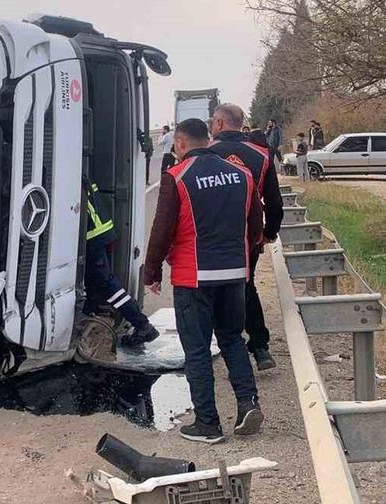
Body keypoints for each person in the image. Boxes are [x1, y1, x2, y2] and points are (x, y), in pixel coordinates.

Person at [144, 118, 264, 444]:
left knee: (196, 350)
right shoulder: (241, 175)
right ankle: (247, 403)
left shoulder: (177, 177)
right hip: (234, 273)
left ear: (181, 143)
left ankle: (208, 424)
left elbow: (161, 231)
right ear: (208, 140)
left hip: (193, 276)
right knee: (232, 339)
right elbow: (255, 226)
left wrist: (152, 272)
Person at [209, 104, 283, 371]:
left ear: (218, 124)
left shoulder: (204, 153)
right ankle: (260, 347)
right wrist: (268, 233)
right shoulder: (262, 155)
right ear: (241, 125)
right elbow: (274, 203)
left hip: (209, 235)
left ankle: (225, 348)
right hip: (247, 236)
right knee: (246, 285)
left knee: (212, 291)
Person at [83, 178, 159, 347]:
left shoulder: (69, 176)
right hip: (99, 233)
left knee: (107, 284)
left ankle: (142, 325)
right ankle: (88, 315)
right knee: (92, 280)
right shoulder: (79, 173)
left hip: (94, 237)